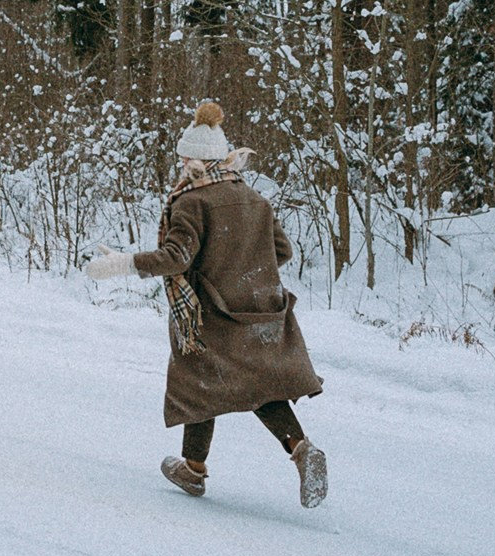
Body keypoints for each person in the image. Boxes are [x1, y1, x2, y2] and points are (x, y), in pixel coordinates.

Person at [87, 102, 328, 507]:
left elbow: (176, 258)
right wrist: (244, 267)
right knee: (259, 385)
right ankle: (300, 448)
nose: (181, 166)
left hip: (213, 313)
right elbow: (281, 251)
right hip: (261, 309)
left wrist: (123, 264)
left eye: (184, 159)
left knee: (198, 382)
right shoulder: (253, 198)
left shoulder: (192, 202)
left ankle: (195, 470)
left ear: (195, 161)